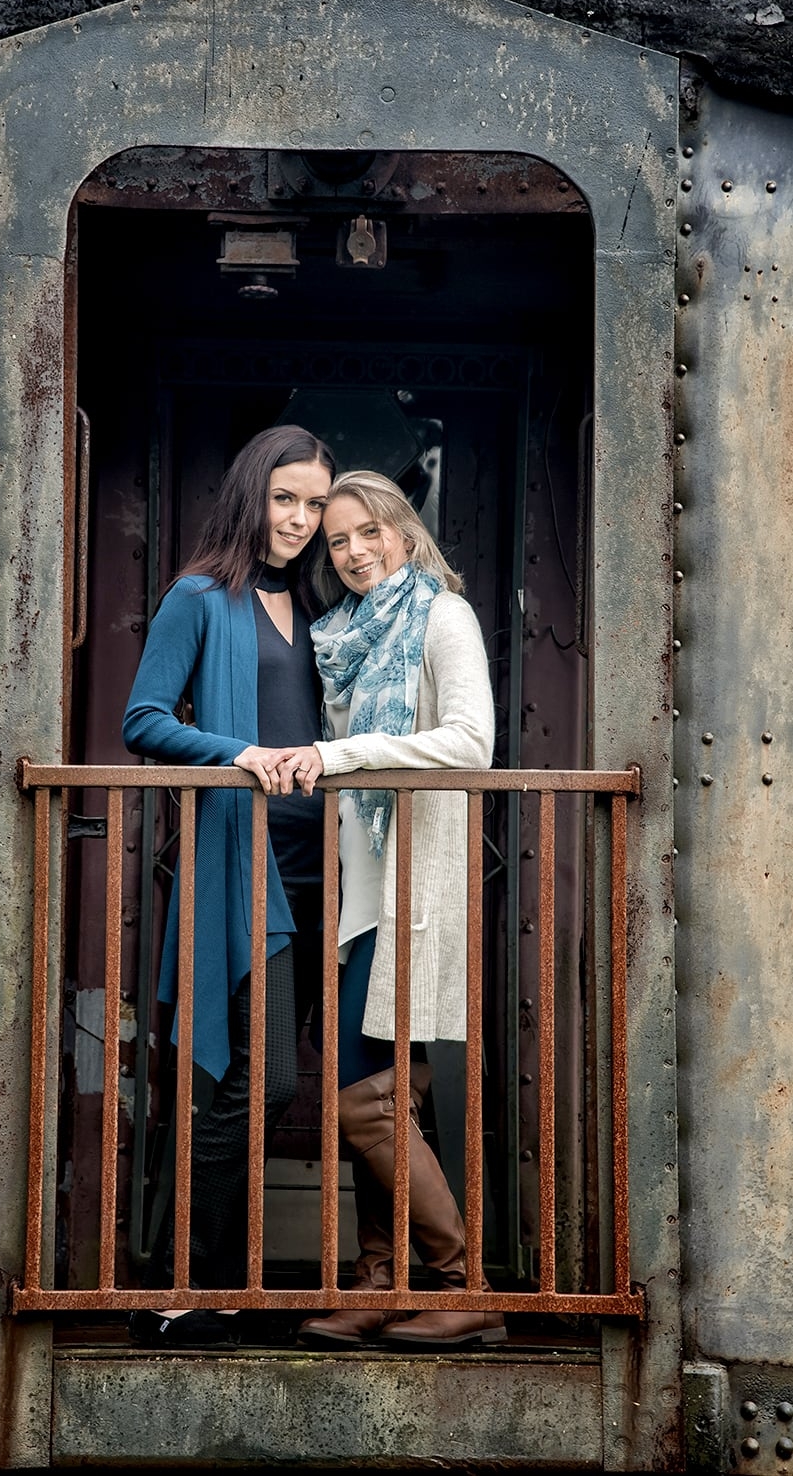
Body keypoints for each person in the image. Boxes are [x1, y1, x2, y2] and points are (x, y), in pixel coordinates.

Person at [276, 469, 506, 1350]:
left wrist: (343, 753)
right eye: (337, 542)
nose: (354, 552)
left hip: (412, 886)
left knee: (361, 1103)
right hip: (361, 896)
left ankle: (460, 1279)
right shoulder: (342, 637)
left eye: (368, 532)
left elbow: (470, 739)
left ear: (403, 534)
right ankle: (379, 1280)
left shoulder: (441, 616)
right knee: (371, 1097)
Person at [120, 424, 335, 1348]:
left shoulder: (325, 606)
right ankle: (188, 1281)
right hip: (243, 865)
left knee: (260, 1081)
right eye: (285, 498)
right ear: (255, 495)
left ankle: (213, 1281)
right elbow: (143, 718)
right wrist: (240, 754)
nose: (299, 519)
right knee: (257, 1078)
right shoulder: (199, 597)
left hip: (317, 866)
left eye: (316, 503)